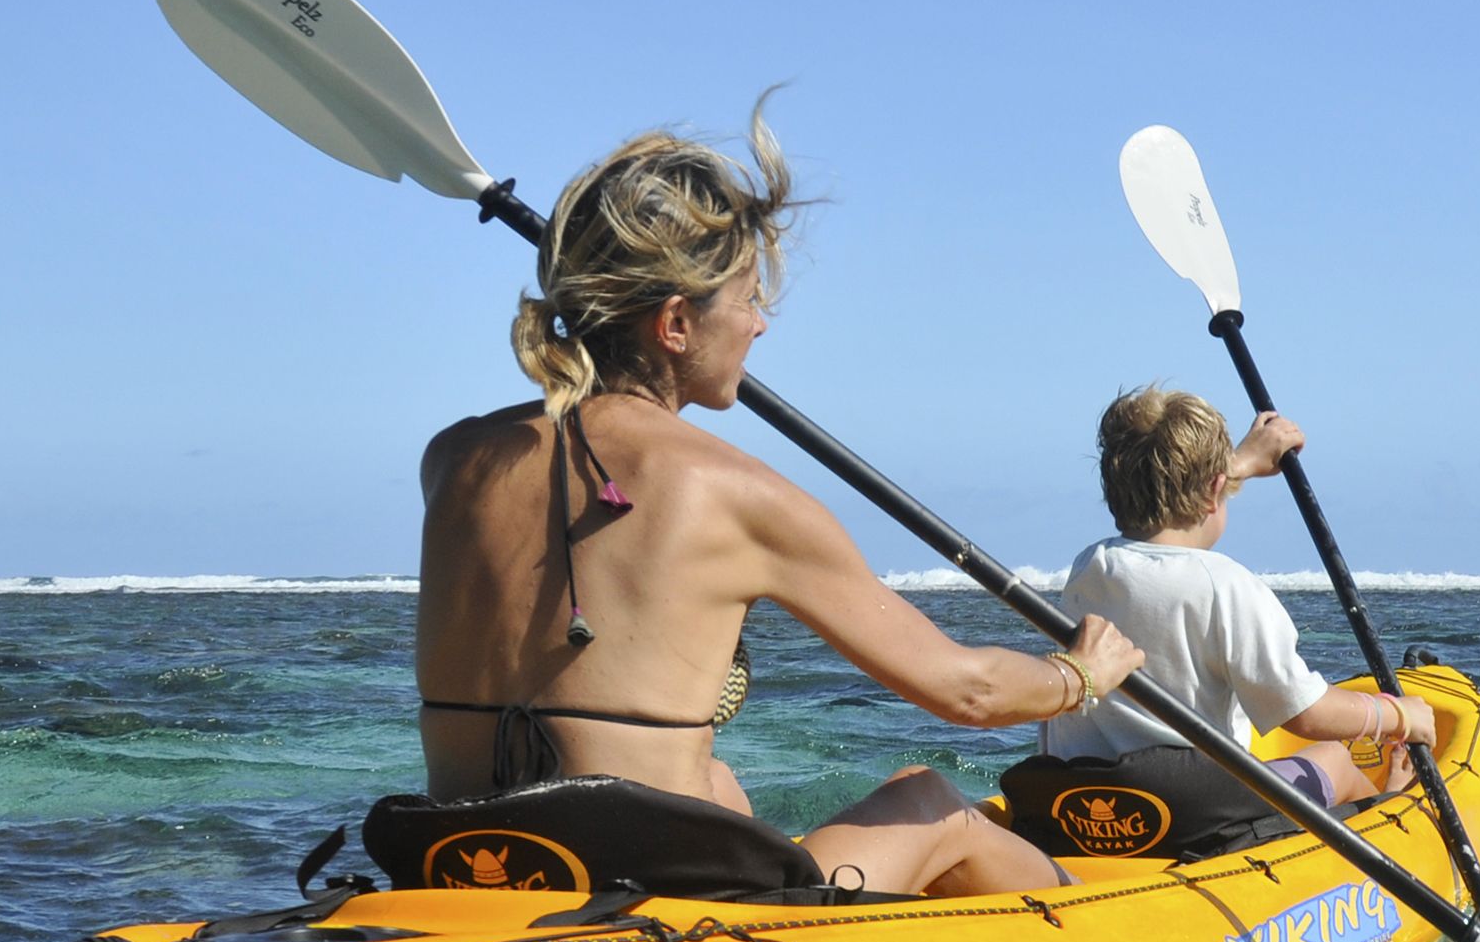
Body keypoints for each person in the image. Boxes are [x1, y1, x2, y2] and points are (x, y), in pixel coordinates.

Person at [412, 108, 1141, 897]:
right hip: (656, 892)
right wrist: (1079, 675)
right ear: (676, 323)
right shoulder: (736, 492)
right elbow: (968, 690)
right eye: (750, 300)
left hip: (469, 867)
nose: (760, 326)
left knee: (720, 785)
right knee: (932, 800)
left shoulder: (455, 459)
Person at [1037, 386, 1434, 810]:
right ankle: (1392, 804)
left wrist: (1237, 464)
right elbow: (1304, 712)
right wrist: (1396, 715)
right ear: (1215, 492)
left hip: (1087, 803)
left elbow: (1172, 493)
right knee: (1335, 758)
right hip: (1195, 812)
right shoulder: (1224, 585)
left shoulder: (1089, 567)